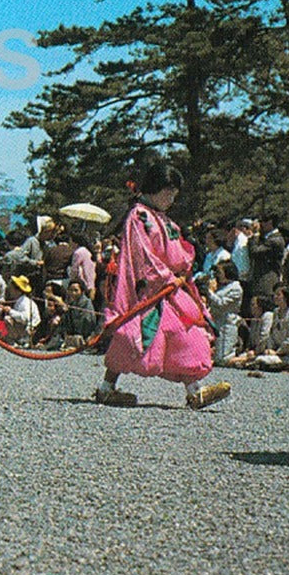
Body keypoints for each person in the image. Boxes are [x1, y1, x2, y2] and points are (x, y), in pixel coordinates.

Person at [93, 159, 229, 411]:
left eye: (174, 195)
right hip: (148, 289)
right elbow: (142, 253)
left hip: (170, 289)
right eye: (169, 193)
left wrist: (182, 270)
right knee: (130, 337)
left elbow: (176, 249)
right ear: (157, 187)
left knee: (186, 334)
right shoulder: (139, 215)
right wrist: (167, 276)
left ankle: (194, 391)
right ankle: (106, 388)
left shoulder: (161, 218)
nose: (171, 199)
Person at [205, 260, 244, 367]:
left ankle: (245, 359)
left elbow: (221, 303)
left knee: (224, 358)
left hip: (228, 323)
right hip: (218, 322)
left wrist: (209, 292)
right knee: (218, 358)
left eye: (220, 272)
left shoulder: (236, 288)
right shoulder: (222, 287)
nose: (218, 275)